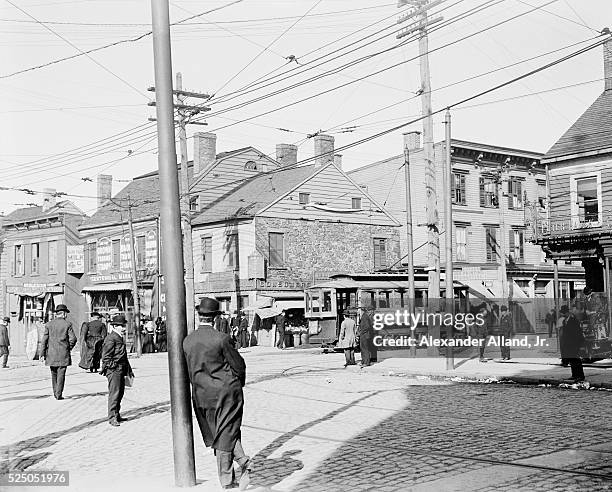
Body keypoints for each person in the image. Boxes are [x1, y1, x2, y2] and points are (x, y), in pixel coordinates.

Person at [183, 298, 251, 490]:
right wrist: (238, 383)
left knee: (221, 431)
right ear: (215, 318)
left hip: (201, 395)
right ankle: (230, 478)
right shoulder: (222, 338)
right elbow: (238, 365)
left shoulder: (188, 341)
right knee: (226, 432)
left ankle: (242, 465)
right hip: (226, 393)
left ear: (199, 316)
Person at [100, 315, 133, 427]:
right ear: (114, 326)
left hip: (121, 369)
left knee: (120, 393)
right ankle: (112, 417)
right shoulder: (111, 338)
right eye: (121, 326)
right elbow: (105, 357)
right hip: (114, 370)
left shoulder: (118, 337)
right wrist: (114, 367)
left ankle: (117, 414)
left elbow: (123, 356)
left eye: (124, 325)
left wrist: (128, 369)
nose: (124, 328)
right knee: (114, 393)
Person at [39, 304, 77, 400]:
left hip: (51, 354)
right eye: (66, 313)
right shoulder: (67, 324)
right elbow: (73, 339)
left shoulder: (48, 324)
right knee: (61, 373)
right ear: (63, 314)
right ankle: (58, 394)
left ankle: (55, 392)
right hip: (63, 354)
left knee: (53, 373)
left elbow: (44, 340)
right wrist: (68, 348)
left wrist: (42, 354)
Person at [558, 304, 585, 382]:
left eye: (563, 313)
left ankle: (580, 376)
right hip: (568, 344)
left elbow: (577, 333)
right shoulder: (565, 321)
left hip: (574, 343)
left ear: (567, 313)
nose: (562, 314)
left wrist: (578, 344)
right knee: (572, 360)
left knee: (576, 360)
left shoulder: (573, 320)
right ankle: (574, 375)